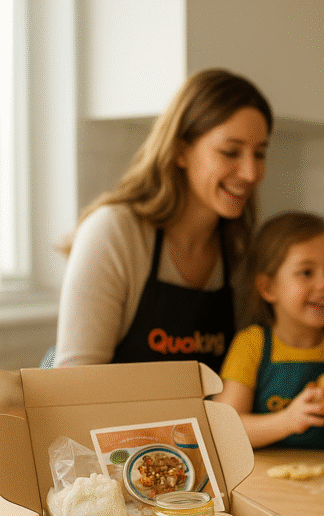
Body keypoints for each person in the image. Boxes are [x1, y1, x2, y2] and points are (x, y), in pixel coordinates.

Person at [52, 68, 272, 372]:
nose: (251, 173)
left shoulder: (239, 249)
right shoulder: (115, 232)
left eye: (260, 154)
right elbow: (75, 384)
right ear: (181, 151)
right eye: (230, 152)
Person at [215, 212, 324, 450]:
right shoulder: (251, 344)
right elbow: (223, 431)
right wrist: (288, 420)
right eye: (306, 272)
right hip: (263, 483)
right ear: (268, 288)